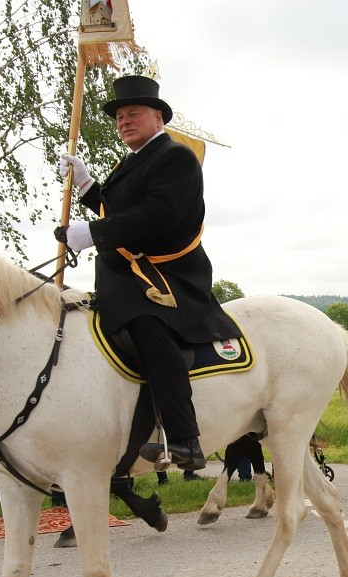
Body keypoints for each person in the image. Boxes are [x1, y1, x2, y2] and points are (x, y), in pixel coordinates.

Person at [55, 75, 238, 471]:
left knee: (147, 328)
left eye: (132, 113)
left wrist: (91, 233)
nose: (123, 121)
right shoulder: (132, 162)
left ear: (157, 116)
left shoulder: (176, 157)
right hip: (128, 277)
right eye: (119, 116)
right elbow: (118, 210)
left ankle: (185, 438)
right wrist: (88, 186)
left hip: (169, 277)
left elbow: (157, 215)